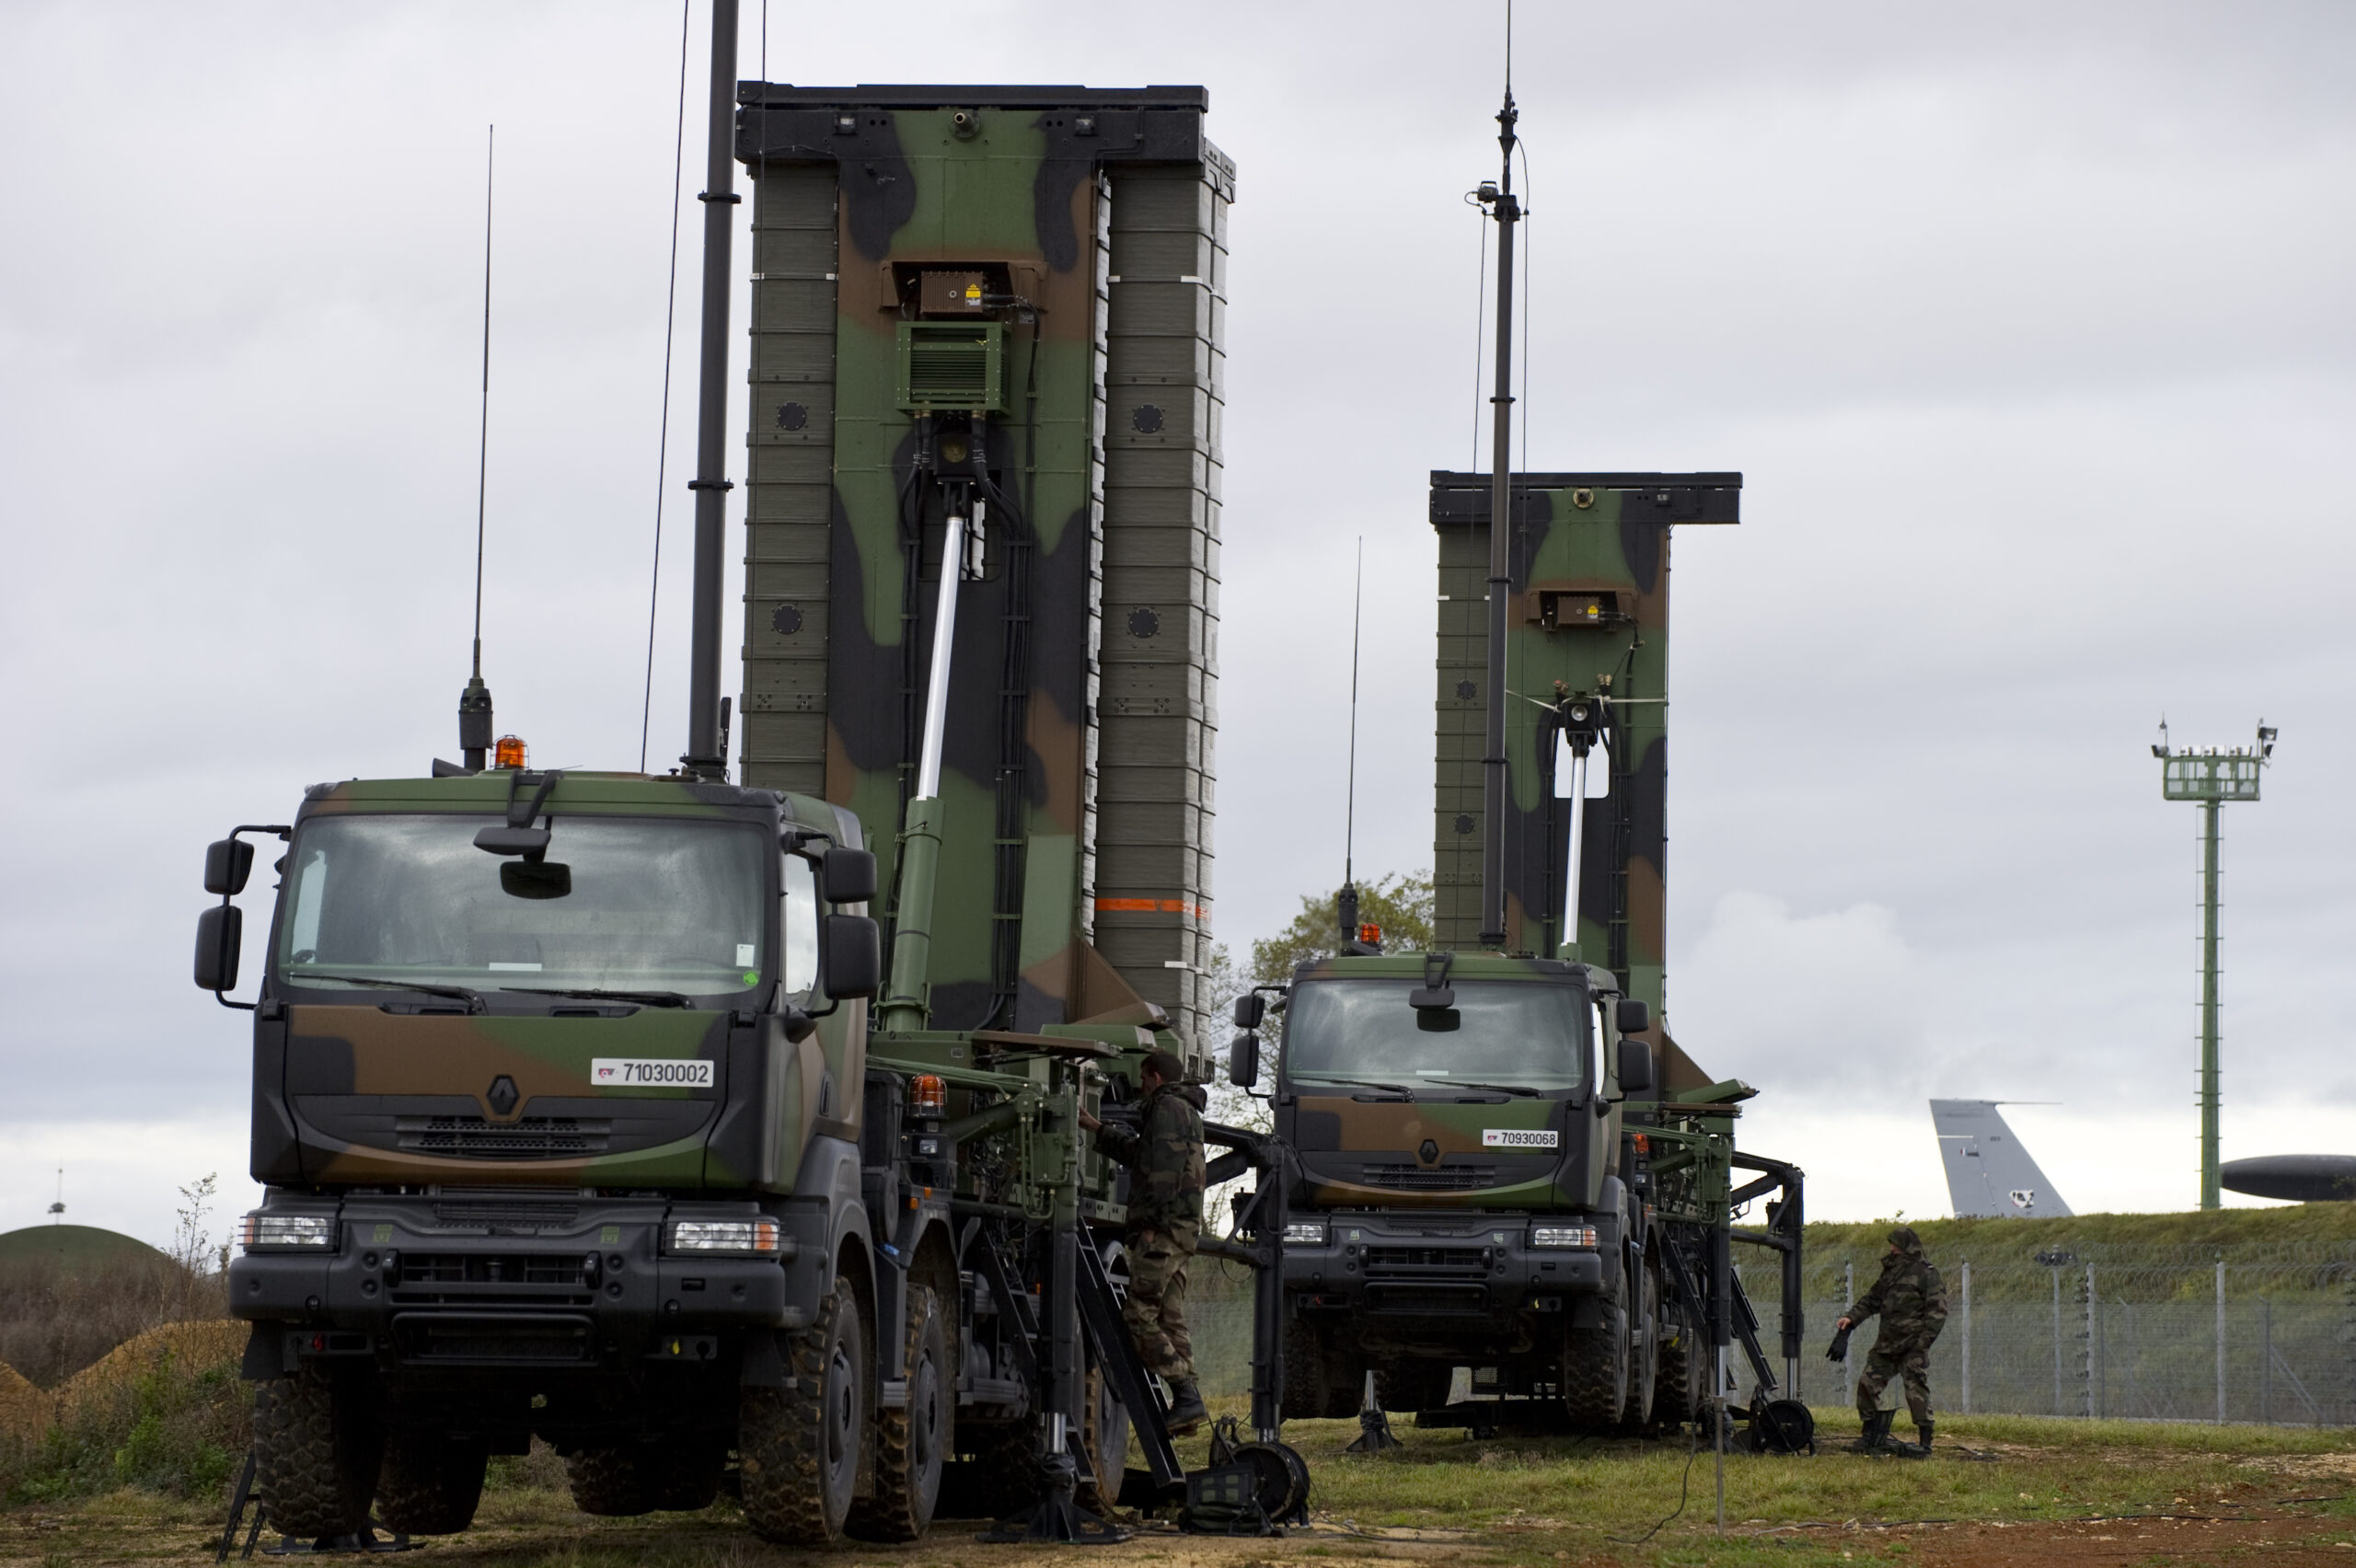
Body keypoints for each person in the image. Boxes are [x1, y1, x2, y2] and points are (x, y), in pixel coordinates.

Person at [1078, 1047, 1209, 1435]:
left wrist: (1150, 1224)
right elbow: (1145, 1156)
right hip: (1181, 1229)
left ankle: (1186, 1394)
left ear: (1153, 1076)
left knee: (1138, 1316)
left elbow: (1162, 1174)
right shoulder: (1184, 1110)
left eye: (1142, 1078)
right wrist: (1097, 1128)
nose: (1139, 1086)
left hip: (1164, 1231)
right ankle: (1187, 1407)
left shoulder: (1166, 1107)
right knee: (1169, 1318)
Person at [1836, 1224, 1948, 1457]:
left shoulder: (1926, 1273)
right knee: (1867, 1384)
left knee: (1916, 1391)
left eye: (1895, 1244)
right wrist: (1851, 1318)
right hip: (1887, 1344)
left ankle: (1925, 1443)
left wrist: (1922, 1344)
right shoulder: (1890, 1272)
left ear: (1906, 1246)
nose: (1892, 1248)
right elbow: (1871, 1300)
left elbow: (1937, 1313)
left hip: (1912, 1345)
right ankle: (1870, 1436)